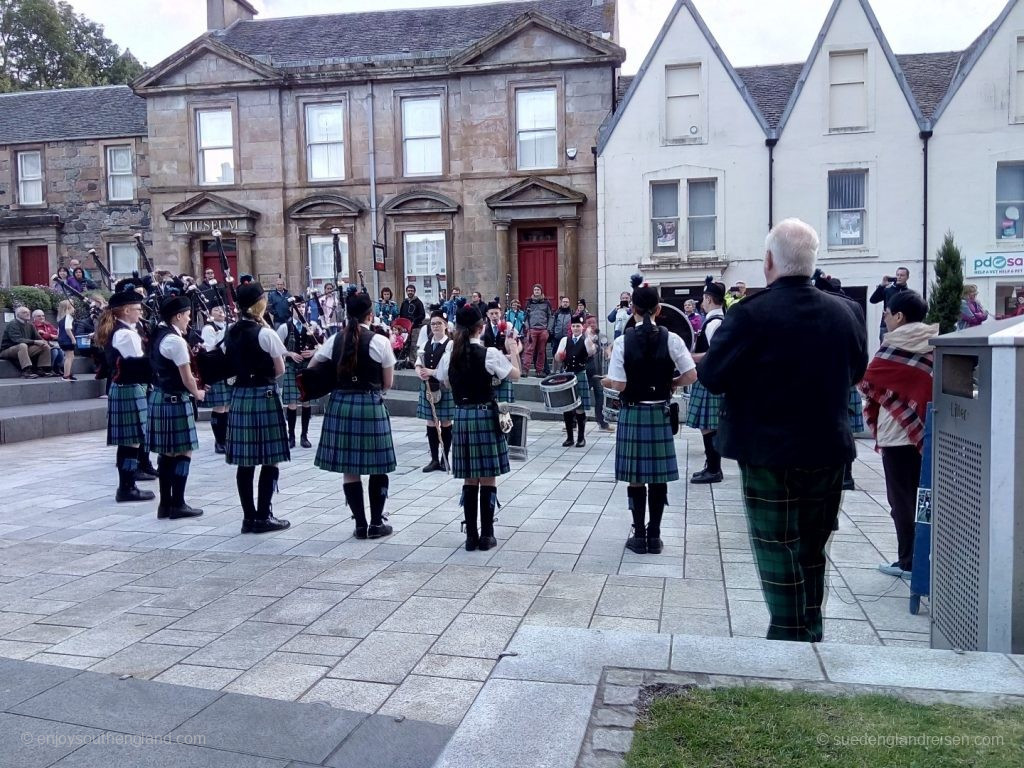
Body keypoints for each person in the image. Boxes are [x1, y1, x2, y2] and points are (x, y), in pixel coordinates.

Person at [698, 218, 867, 642]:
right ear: (812, 262)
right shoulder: (846, 311)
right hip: (827, 447)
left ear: (769, 260)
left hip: (768, 451)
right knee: (812, 547)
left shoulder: (750, 316)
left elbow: (713, 377)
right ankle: (810, 629)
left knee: (777, 546)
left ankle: (790, 639)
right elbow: (857, 372)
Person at [603, 279, 697, 555]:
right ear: (658, 309)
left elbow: (619, 385)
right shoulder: (673, 338)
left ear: (632, 308)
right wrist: (672, 383)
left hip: (633, 412)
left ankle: (639, 535)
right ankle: (655, 536)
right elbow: (692, 375)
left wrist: (605, 382)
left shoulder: (622, 342)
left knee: (635, 477)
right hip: (659, 412)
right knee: (658, 477)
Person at [859, 290, 937, 579]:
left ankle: (908, 561)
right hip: (927, 431)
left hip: (898, 435)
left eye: (887, 313)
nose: (885, 318)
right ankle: (928, 555)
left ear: (899, 316)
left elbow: (868, 381)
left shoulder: (893, 345)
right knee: (925, 497)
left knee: (901, 501)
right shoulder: (933, 343)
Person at [311, 290, 396, 540]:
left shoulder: (335, 339)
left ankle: (360, 524)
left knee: (350, 468)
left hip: (340, 404)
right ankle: (376, 523)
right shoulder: (379, 341)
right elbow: (388, 383)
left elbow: (311, 367)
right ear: (370, 314)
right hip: (370, 404)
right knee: (378, 467)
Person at [436, 302, 521, 550]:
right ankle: (487, 535)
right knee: (488, 478)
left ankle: (470, 536)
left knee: (470, 479)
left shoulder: (450, 354)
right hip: (484, 416)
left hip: (462, 417)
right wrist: (512, 349)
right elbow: (515, 374)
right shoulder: (490, 354)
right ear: (480, 328)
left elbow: (444, 382)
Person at [224, 282, 292, 533]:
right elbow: (280, 369)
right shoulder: (265, 333)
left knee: (245, 462)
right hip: (263, 395)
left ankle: (248, 518)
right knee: (270, 459)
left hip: (240, 396)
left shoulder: (230, 331)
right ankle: (263, 515)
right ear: (258, 303)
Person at [95, 282, 155, 503]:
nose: (141, 312)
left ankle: (128, 485)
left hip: (125, 388)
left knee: (130, 441)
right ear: (127, 310)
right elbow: (138, 364)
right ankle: (126, 487)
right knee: (130, 442)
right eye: (138, 309)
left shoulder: (122, 331)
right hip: (129, 388)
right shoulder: (126, 335)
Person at [149, 293, 205, 519]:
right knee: (184, 450)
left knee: (166, 452)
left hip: (160, 397)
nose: (189, 320)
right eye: (188, 316)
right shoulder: (176, 341)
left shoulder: (158, 335)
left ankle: (165, 504)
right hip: (175, 399)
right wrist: (198, 393)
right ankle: (178, 503)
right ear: (178, 316)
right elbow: (187, 377)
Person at [686, 278, 728, 484]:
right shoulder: (718, 319)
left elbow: (715, 353)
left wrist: (689, 357)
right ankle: (711, 465)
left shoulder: (714, 323)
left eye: (703, 299)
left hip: (710, 378)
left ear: (709, 299)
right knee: (709, 425)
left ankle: (714, 469)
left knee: (709, 426)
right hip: (711, 378)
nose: (701, 303)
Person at [277, 296, 319, 449]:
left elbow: (323, 345)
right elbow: (277, 347)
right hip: (291, 367)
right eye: (297, 307)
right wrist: (289, 354)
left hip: (307, 367)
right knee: (292, 403)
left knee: (306, 401)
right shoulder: (284, 327)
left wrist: (313, 351)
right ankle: (291, 436)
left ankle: (304, 436)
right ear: (291, 309)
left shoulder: (312, 326)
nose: (300, 309)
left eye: (302, 307)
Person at [415, 309, 454, 472]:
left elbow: (447, 366)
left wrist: (430, 372)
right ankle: (434, 459)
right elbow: (418, 363)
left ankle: (445, 458)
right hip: (428, 387)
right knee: (431, 422)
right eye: (433, 324)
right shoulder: (426, 344)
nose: (436, 326)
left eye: (439, 323)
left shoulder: (450, 344)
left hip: (444, 386)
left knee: (445, 422)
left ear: (445, 325)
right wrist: (420, 374)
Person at [554, 314, 595, 447]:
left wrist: (589, 338)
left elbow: (591, 352)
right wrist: (559, 356)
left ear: (582, 327)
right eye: (573, 326)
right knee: (567, 407)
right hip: (567, 375)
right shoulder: (565, 340)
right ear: (570, 327)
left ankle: (581, 438)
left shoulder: (586, 340)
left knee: (579, 408)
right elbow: (557, 358)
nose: (576, 328)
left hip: (580, 374)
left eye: (578, 326)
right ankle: (569, 438)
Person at [201, 305, 232, 454]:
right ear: (210, 313)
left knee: (227, 407)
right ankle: (219, 441)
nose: (220, 312)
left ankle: (226, 438)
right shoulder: (209, 328)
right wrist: (222, 335)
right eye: (216, 310)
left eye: (222, 310)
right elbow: (209, 349)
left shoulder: (229, 325)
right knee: (219, 406)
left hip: (228, 368)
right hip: (216, 369)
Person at [482, 300, 520, 403]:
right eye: (492, 313)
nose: (494, 316)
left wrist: (511, 355)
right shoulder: (483, 329)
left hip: (505, 368)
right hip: (488, 370)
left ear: (501, 313)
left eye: (496, 313)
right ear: (487, 314)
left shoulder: (508, 326)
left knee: (505, 407)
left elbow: (519, 345)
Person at [1, 307, 53, 378]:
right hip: (7, 350)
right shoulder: (13, 324)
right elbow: (17, 340)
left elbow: (38, 338)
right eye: (24, 312)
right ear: (18, 315)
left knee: (44, 345)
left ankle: (42, 369)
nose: (28, 313)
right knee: (22, 345)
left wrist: (46, 343)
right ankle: (26, 371)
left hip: (24, 349)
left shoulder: (30, 325)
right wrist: (34, 342)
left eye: (28, 312)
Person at [585, 315, 613, 432]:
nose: (592, 325)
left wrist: (609, 352)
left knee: (600, 398)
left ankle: (602, 423)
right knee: (579, 397)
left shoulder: (602, 337)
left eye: (594, 323)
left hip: (600, 373)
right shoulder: (583, 338)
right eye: (589, 323)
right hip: (586, 372)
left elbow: (608, 347)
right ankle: (572, 423)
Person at [869, 267, 910, 343]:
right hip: (886, 325)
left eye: (902, 275)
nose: (899, 277)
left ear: (907, 277)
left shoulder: (909, 293)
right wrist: (881, 285)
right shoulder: (888, 290)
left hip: (902, 326)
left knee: (900, 350)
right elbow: (873, 300)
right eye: (897, 275)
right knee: (885, 350)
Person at [523, 284, 552, 376]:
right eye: (535, 290)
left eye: (538, 290)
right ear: (533, 291)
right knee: (528, 350)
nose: (536, 291)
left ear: (541, 291)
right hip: (532, 330)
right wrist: (528, 328)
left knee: (541, 351)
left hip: (543, 330)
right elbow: (525, 316)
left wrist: (548, 329)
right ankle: (525, 370)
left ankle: (539, 371)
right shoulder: (529, 303)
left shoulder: (547, 303)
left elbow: (550, 316)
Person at [31, 309, 64, 374]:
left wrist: (45, 334)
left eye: (43, 316)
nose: (42, 317)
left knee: (60, 351)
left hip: (51, 344)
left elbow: (57, 335)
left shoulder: (48, 324)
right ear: (34, 317)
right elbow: (40, 337)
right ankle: (49, 368)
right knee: (54, 351)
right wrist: (50, 335)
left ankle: (57, 368)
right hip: (41, 345)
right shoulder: (33, 326)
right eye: (39, 316)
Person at [548, 296, 573, 374]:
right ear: (561, 303)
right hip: (557, 337)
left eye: (567, 302)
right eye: (564, 302)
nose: (565, 303)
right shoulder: (557, 313)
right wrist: (551, 333)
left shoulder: (572, 313)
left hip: (567, 338)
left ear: (569, 303)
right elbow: (552, 323)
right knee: (555, 353)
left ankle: (562, 370)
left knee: (565, 354)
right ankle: (554, 370)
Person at [55, 300, 77, 380]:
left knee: (69, 356)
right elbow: (68, 329)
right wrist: (73, 339)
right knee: (69, 357)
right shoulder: (69, 317)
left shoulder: (60, 318)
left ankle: (67, 373)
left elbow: (58, 331)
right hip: (67, 339)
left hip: (62, 339)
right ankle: (66, 375)